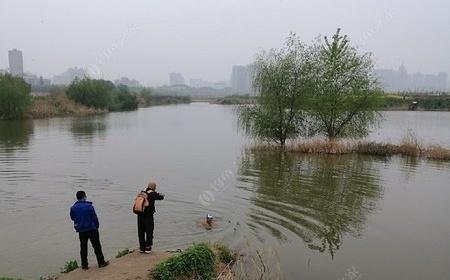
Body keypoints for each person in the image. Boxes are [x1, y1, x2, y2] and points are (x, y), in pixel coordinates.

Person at [70, 191, 109, 270]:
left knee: (83, 247)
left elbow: (72, 218)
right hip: (91, 229)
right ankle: (101, 262)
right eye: (85, 196)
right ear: (84, 196)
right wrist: (97, 226)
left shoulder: (73, 208)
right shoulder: (89, 206)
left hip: (81, 230)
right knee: (97, 246)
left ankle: (84, 265)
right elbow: (94, 218)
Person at [137, 181, 164, 253]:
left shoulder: (142, 192)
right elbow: (161, 197)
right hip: (148, 216)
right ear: (154, 187)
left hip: (139, 215)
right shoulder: (153, 194)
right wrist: (160, 194)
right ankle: (148, 247)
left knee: (141, 231)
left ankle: (142, 248)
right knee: (149, 231)